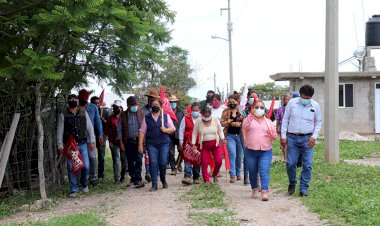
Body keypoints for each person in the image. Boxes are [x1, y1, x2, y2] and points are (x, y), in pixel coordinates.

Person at [281, 84, 322, 197]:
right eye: (304, 97)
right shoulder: (292, 103)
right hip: (292, 138)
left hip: (307, 139)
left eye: (308, 98)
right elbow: (285, 120)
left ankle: (303, 188)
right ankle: (292, 182)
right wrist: (283, 136)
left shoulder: (315, 105)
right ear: (300, 95)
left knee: (307, 164)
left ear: (311, 97)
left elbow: (318, 122)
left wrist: (314, 136)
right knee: (291, 163)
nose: (305, 100)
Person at [57, 94, 95, 197]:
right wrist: (60, 145)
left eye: (75, 100)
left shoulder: (83, 112)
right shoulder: (63, 115)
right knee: (71, 167)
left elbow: (90, 128)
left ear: (78, 102)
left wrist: (92, 141)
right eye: (71, 100)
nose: (73, 101)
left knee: (86, 166)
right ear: (68, 102)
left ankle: (84, 184)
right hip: (70, 146)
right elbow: (60, 131)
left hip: (82, 143)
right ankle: (73, 189)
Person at [138, 98, 176, 191]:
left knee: (163, 162)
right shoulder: (147, 117)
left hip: (164, 143)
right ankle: (154, 184)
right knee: (153, 163)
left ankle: (163, 180)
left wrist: (165, 130)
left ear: (160, 106)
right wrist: (140, 145)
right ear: (151, 106)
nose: (155, 105)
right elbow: (142, 131)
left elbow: (173, 129)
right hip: (151, 144)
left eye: (157, 104)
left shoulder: (165, 116)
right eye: (153, 104)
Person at [242, 101, 277, 201]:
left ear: (264, 109)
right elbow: (245, 127)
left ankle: (264, 191)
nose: (259, 109)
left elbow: (274, 134)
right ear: (252, 108)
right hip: (251, 150)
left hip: (266, 150)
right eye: (257, 107)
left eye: (262, 107)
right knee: (252, 171)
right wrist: (251, 115)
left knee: (264, 170)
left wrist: (274, 136)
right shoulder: (248, 120)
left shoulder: (268, 122)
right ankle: (254, 188)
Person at [192, 106, 224, 183]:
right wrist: (193, 144)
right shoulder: (198, 121)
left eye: (208, 114)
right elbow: (194, 133)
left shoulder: (215, 120)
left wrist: (222, 138)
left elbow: (220, 131)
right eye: (205, 115)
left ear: (210, 114)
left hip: (215, 144)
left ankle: (215, 174)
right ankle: (207, 180)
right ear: (202, 114)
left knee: (219, 161)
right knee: (205, 163)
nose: (206, 116)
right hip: (204, 146)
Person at [78, 89, 103, 187]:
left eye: (86, 98)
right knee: (81, 160)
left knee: (92, 157)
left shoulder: (93, 107)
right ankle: (82, 179)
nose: (84, 99)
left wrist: (100, 134)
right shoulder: (76, 107)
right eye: (82, 98)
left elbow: (98, 122)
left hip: (90, 137)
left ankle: (93, 178)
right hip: (79, 137)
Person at [121, 96, 145, 188]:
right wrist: (121, 143)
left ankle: (138, 179)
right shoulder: (123, 115)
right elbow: (120, 129)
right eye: (133, 105)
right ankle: (133, 179)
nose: (135, 106)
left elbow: (144, 127)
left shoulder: (141, 113)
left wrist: (143, 142)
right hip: (128, 142)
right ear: (128, 105)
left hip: (139, 141)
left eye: (136, 104)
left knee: (138, 160)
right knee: (130, 161)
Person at [221, 94, 244, 183]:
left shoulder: (241, 111)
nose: (232, 104)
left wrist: (240, 124)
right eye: (230, 102)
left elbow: (246, 121)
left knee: (239, 155)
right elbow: (222, 123)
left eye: (233, 102)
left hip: (240, 135)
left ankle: (238, 173)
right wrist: (228, 122)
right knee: (232, 154)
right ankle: (232, 174)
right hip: (229, 135)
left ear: (237, 101)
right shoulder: (225, 111)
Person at [179, 102, 202, 185]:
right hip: (187, 142)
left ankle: (196, 177)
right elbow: (181, 130)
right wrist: (181, 142)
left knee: (197, 159)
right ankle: (187, 177)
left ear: (199, 110)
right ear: (191, 110)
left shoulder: (202, 118)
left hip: (198, 143)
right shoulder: (185, 118)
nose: (195, 112)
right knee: (188, 160)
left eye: (197, 110)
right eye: (193, 110)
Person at [141, 90, 161, 182]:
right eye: (149, 98)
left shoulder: (161, 109)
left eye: (152, 98)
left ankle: (156, 173)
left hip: (159, 136)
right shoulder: (143, 109)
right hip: (147, 136)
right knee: (148, 156)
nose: (150, 99)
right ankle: (148, 173)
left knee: (157, 157)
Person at [104, 100, 126, 184]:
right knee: (116, 160)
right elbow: (106, 129)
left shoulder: (124, 117)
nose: (116, 109)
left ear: (121, 108)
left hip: (123, 143)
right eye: (114, 107)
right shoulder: (110, 117)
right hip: (113, 142)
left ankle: (122, 176)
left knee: (124, 161)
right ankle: (117, 179)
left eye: (117, 107)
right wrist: (103, 137)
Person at [241, 90, 260, 185]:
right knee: (247, 155)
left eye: (255, 96)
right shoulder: (245, 110)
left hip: (259, 135)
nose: (254, 98)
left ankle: (257, 177)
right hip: (247, 134)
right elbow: (243, 123)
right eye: (252, 96)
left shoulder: (262, 109)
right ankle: (246, 176)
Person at [90, 96, 109, 179]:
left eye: (98, 103)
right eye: (95, 103)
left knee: (101, 156)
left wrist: (103, 120)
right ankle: (92, 174)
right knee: (92, 157)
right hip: (92, 137)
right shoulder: (89, 112)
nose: (97, 105)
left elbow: (108, 124)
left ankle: (101, 174)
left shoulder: (104, 111)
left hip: (101, 137)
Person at [168, 95, 185, 174]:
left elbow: (184, 123)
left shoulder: (181, 111)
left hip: (179, 134)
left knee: (181, 151)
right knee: (171, 152)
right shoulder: (166, 111)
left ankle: (179, 163)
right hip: (169, 134)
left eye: (174, 102)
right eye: (171, 102)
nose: (173, 103)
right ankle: (173, 168)